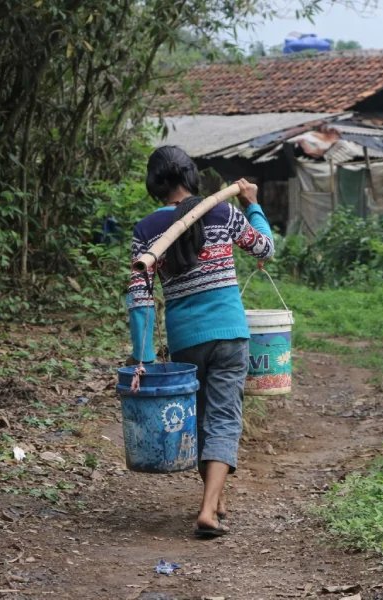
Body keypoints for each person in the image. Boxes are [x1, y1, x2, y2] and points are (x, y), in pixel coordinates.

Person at [127, 145, 274, 538]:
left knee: (201, 417)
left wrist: (142, 360)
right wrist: (253, 205)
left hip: (185, 339)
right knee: (224, 415)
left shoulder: (146, 230)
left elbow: (140, 297)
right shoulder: (224, 212)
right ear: (191, 175)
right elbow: (265, 248)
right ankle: (208, 510)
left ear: (154, 184)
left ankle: (217, 498)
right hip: (228, 333)